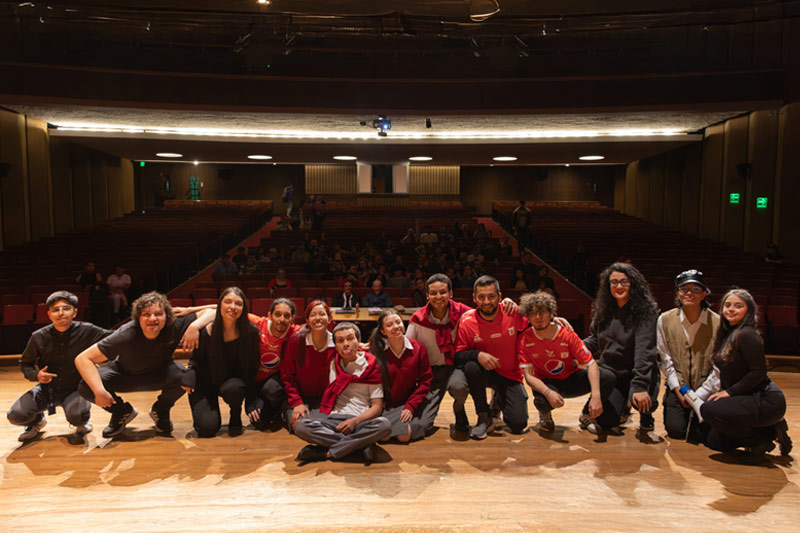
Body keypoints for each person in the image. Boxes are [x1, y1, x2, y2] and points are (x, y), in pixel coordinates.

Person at [75, 292, 213, 438]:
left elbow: (213, 311)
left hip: (160, 373)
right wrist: (99, 391)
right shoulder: (125, 334)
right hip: (125, 375)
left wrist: (194, 324)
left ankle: (161, 410)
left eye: (158, 314)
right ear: (138, 318)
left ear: (167, 316)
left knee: (183, 376)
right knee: (86, 386)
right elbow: (82, 358)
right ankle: (121, 412)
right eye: (146, 314)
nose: (152, 319)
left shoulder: (175, 325)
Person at [699, 288, 792, 462]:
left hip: (766, 400)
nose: (731, 309)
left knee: (708, 409)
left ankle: (759, 443)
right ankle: (771, 430)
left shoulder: (747, 334)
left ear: (748, 311)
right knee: (714, 441)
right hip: (748, 397)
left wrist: (729, 393)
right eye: (727, 305)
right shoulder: (728, 334)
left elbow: (758, 372)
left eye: (738, 306)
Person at [7, 291, 111, 441]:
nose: (61, 313)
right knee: (15, 415)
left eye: (66, 308)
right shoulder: (38, 336)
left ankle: (82, 420)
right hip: (46, 389)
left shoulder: (87, 330)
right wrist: (36, 375)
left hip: (76, 389)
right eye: (55, 310)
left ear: (74, 312)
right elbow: (25, 363)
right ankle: (36, 422)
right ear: (49, 314)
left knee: (78, 416)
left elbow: (115, 337)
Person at [582, 262, 661, 441]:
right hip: (613, 374)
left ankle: (646, 419)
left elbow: (644, 351)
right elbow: (594, 339)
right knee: (607, 422)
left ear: (633, 283)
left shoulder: (645, 313)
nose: (619, 286)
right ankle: (611, 408)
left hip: (639, 373)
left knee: (643, 400)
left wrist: (640, 385)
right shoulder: (603, 311)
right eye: (614, 282)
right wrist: (573, 347)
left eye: (624, 282)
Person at [293, 322, 391, 464]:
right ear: (335, 345)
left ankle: (327, 453)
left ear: (358, 340)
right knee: (301, 426)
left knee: (384, 425)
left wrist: (354, 421)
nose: (346, 344)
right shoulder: (333, 361)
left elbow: (376, 407)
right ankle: (360, 445)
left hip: (360, 420)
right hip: (335, 419)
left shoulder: (370, 366)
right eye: (340, 341)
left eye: (350, 338)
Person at [517, 291, 614, 432]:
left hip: (571, 378)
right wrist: (548, 392)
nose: (538, 317)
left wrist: (596, 396)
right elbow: (529, 376)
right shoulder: (525, 339)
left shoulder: (567, 335)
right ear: (528, 317)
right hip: (547, 381)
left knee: (607, 377)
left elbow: (591, 364)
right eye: (533, 313)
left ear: (551, 313)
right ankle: (545, 415)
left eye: (542, 312)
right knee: (541, 400)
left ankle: (587, 414)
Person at [455, 275, 530, 439]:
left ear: (500, 297)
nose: (486, 301)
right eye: (481, 297)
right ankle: (484, 416)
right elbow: (458, 355)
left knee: (518, 424)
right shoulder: (467, 321)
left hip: (510, 374)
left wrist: (554, 320)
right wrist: (478, 354)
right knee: (471, 366)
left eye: (491, 296)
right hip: (483, 373)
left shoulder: (512, 312)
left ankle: (497, 401)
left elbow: (535, 322)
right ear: (474, 298)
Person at [181, 288, 260, 437]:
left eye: (238, 303)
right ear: (220, 305)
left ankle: (235, 414)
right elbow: (196, 360)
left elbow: (251, 368)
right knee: (206, 429)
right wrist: (190, 372)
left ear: (243, 309)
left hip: (231, 383)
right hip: (206, 382)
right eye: (228, 302)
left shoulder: (251, 333)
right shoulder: (206, 331)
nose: (232, 307)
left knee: (234, 388)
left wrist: (250, 400)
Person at [657, 270, 721, 440]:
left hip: (708, 388)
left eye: (695, 289)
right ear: (677, 293)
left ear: (704, 294)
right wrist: (678, 390)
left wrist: (698, 396)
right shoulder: (664, 319)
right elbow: (666, 360)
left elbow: (719, 366)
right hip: (680, 386)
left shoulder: (718, 322)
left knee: (704, 436)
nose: (689, 293)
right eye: (684, 289)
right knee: (676, 431)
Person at [368, 310, 433, 442]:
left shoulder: (419, 349)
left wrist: (410, 406)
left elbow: (425, 381)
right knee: (384, 438)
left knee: (404, 437)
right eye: (390, 324)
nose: (396, 326)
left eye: (398, 322)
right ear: (383, 331)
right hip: (386, 404)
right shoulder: (377, 352)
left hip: (406, 402)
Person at [281, 300, 337, 432]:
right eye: (313, 315)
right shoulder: (296, 341)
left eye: (322, 314)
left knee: (337, 423)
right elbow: (287, 376)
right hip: (300, 397)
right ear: (307, 319)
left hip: (325, 398)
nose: (318, 318)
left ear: (329, 318)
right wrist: (297, 403)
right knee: (300, 425)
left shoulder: (336, 342)